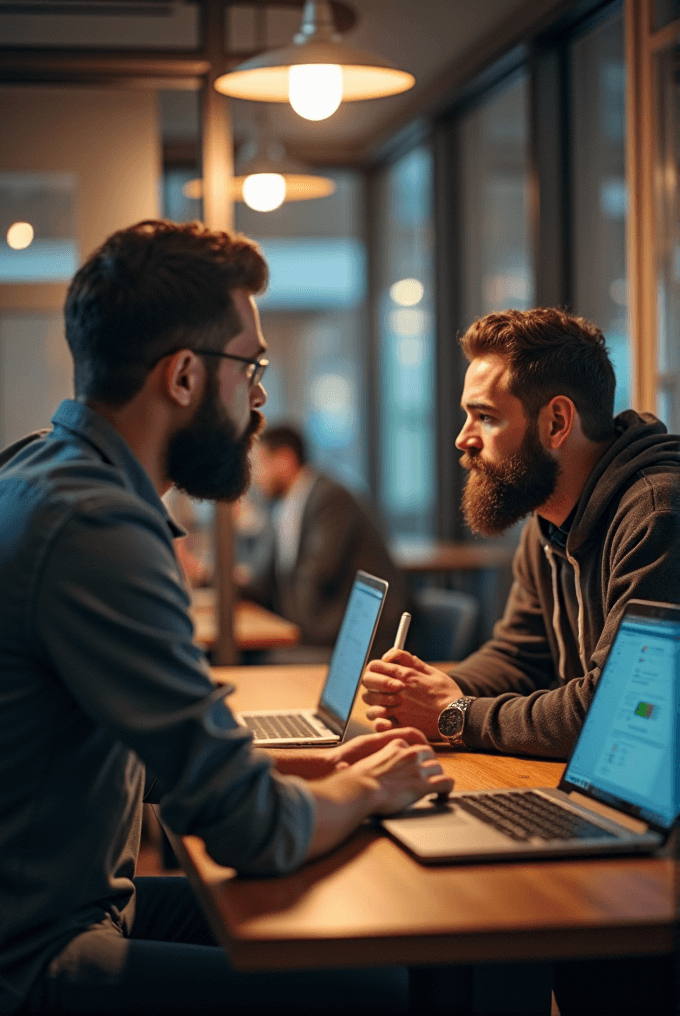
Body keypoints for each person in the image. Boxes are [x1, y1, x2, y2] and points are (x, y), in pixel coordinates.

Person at [0, 219, 452, 1015]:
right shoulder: (99, 526)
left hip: (62, 909)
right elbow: (251, 831)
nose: (261, 395)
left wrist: (308, 771)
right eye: (252, 364)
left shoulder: (40, 466)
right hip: (40, 956)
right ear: (182, 376)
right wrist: (368, 792)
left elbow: (119, 765)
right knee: (392, 992)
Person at [362, 308, 680, 759]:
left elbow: (620, 712)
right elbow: (518, 655)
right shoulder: (548, 517)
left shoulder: (657, 515)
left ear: (556, 423)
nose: (463, 438)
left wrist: (452, 712)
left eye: (485, 417)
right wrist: (427, 692)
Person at [238, 425, 409, 658]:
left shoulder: (328, 497)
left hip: (358, 639)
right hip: (323, 631)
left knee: (262, 658)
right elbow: (263, 576)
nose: (256, 477)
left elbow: (318, 571)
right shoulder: (286, 506)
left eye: (259, 464)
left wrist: (287, 626)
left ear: (285, 460)